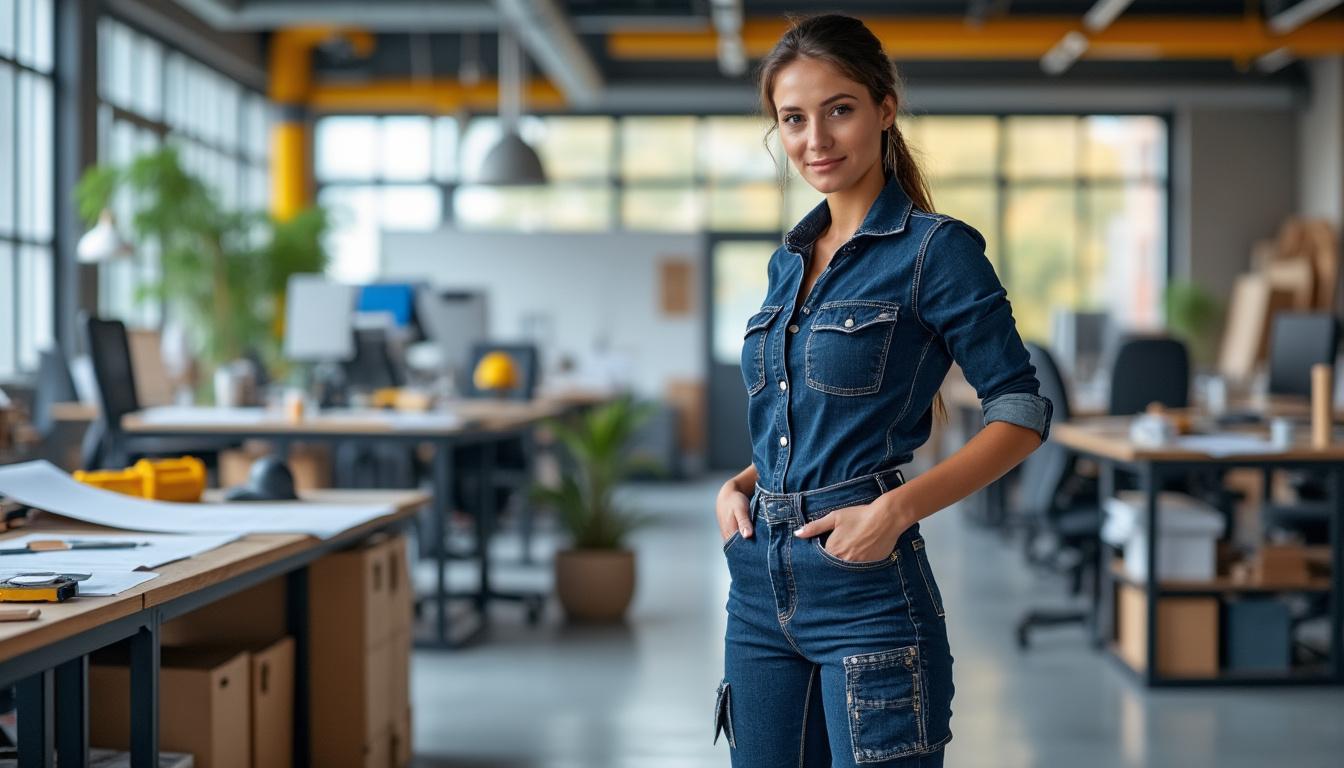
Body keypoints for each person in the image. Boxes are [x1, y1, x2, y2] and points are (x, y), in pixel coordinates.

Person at [712, 14, 1053, 768]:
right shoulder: (787, 263)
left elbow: (1022, 410)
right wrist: (739, 483)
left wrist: (895, 511)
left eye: (839, 109)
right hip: (757, 589)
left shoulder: (937, 251)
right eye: (792, 119)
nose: (816, 140)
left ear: (884, 108)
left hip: (864, 587)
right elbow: (795, 419)